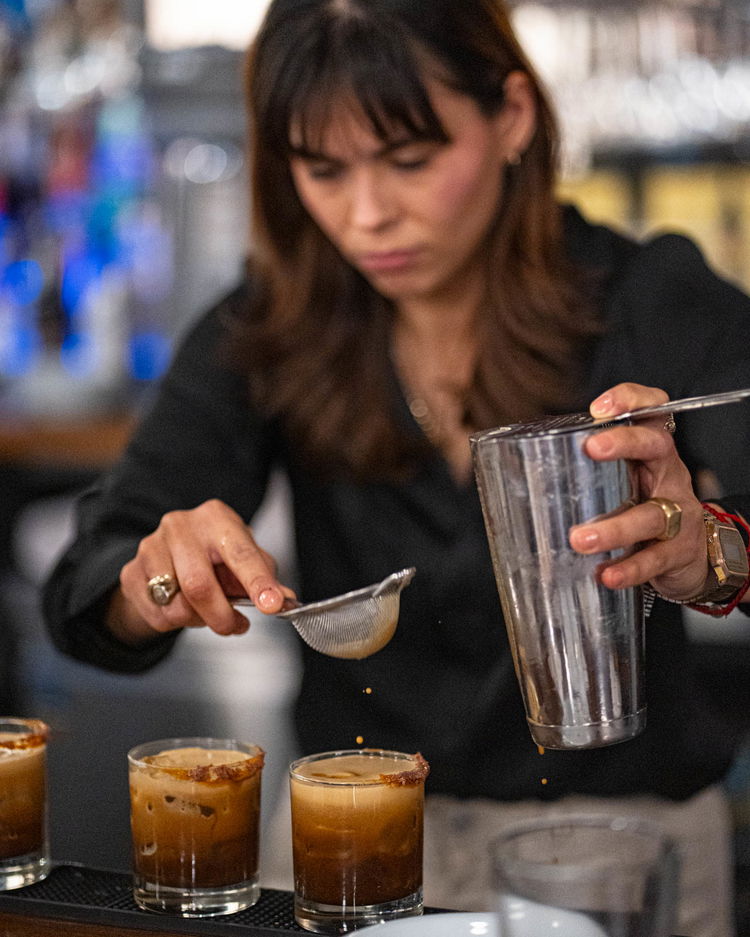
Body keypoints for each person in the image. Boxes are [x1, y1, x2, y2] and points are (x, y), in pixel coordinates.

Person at [42, 1, 750, 934]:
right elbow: (87, 588)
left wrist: (711, 555)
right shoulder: (270, 327)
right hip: (349, 845)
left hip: (619, 855)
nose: (368, 214)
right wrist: (155, 579)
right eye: (323, 170)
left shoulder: (646, 292)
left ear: (511, 117)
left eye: (410, 160)